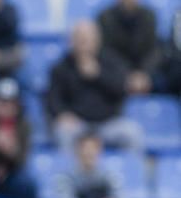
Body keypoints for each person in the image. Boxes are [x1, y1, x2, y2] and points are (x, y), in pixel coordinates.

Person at [47, 20, 143, 153]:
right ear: (72, 42)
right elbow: (53, 98)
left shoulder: (111, 61)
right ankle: (69, 173)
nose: (84, 44)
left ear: (97, 40)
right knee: (62, 131)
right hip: (78, 124)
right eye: (79, 39)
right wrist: (62, 114)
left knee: (132, 132)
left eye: (87, 40)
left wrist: (98, 75)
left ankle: (130, 172)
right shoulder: (61, 67)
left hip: (108, 123)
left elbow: (121, 89)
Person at [97, 0, 158, 96]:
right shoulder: (105, 17)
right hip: (115, 71)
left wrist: (144, 73)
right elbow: (105, 51)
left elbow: (154, 50)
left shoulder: (149, 16)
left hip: (145, 73)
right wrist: (127, 75)